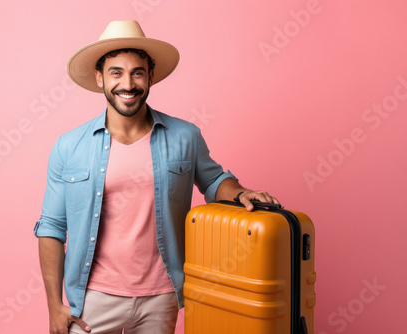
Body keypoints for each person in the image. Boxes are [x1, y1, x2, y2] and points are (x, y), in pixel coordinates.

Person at [34, 20, 280, 334]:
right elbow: (51, 228)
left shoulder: (185, 136)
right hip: (92, 299)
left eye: (137, 72)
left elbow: (215, 182)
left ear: (150, 76)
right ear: (100, 78)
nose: (128, 83)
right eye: (116, 72)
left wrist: (240, 192)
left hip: (160, 297)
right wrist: (54, 306)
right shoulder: (69, 147)